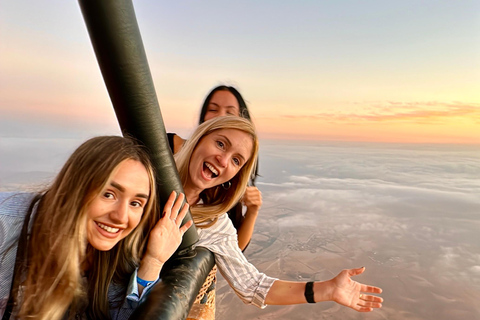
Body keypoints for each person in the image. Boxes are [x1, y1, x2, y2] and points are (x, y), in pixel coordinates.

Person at [175, 117, 383, 313]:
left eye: (236, 160)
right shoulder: (146, 172)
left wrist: (327, 289)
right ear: (199, 138)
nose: (223, 160)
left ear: (236, 176)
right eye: (220, 144)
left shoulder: (214, 225)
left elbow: (252, 284)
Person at [0, 136, 192, 320]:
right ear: (75, 187)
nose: (121, 217)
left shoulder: (114, 253)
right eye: (108, 194)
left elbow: (121, 316)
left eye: (135, 203)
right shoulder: (5, 225)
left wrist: (153, 261)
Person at [168, 85, 259, 251]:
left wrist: (252, 212)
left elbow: (233, 250)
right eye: (213, 109)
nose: (220, 116)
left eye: (229, 113)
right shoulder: (165, 146)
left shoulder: (225, 191)